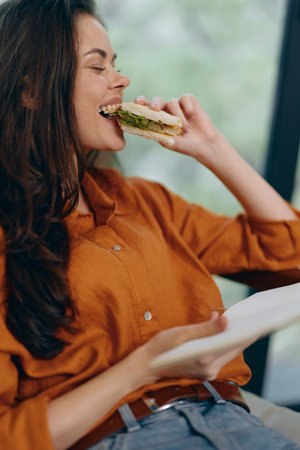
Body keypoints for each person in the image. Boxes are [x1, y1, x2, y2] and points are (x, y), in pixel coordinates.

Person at [0, 1, 299, 449]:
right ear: (32, 91)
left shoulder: (145, 203)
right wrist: (145, 367)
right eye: (97, 67)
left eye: (115, 64)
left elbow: (290, 255)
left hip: (233, 422)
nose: (121, 79)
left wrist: (213, 149)